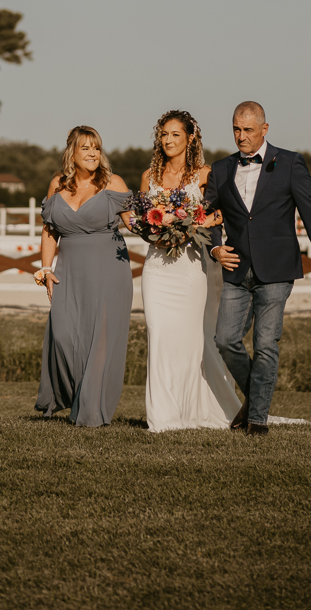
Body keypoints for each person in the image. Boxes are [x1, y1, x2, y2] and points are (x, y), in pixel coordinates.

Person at [207, 100, 311, 437]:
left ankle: (258, 420)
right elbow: (206, 218)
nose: (241, 136)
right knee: (225, 339)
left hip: (277, 269)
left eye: (248, 129)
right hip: (236, 268)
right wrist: (215, 247)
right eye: (236, 128)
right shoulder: (220, 170)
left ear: (265, 129)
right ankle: (258, 399)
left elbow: (310, 210)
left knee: (266, 344)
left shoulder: (290, 163)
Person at [126, 109, 241, 432]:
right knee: (159, 335)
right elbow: (140, 221)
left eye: (175, 134)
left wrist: (197, 223)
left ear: (190, 138)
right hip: (157, 267)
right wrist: (152, 230)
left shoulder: (205, 175)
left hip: (191, 265)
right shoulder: (149, 178)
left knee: (192, 339)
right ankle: (163, 417)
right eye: (163, 134)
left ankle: (194, 411)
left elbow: (222, 215)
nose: (168, 140)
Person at [34, 125, 133, 427]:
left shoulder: (112, 183)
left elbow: (135, 223)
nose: (92, 154)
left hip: (109, 270)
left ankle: (90, 410)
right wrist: (46, 268)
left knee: (99, 339)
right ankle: (72, 396)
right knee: (63, 335)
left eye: (96, 148)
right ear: (72, 153)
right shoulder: (57, 185)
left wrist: (169, 222)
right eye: (86, 148)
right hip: (68, 272)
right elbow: (50, 231)